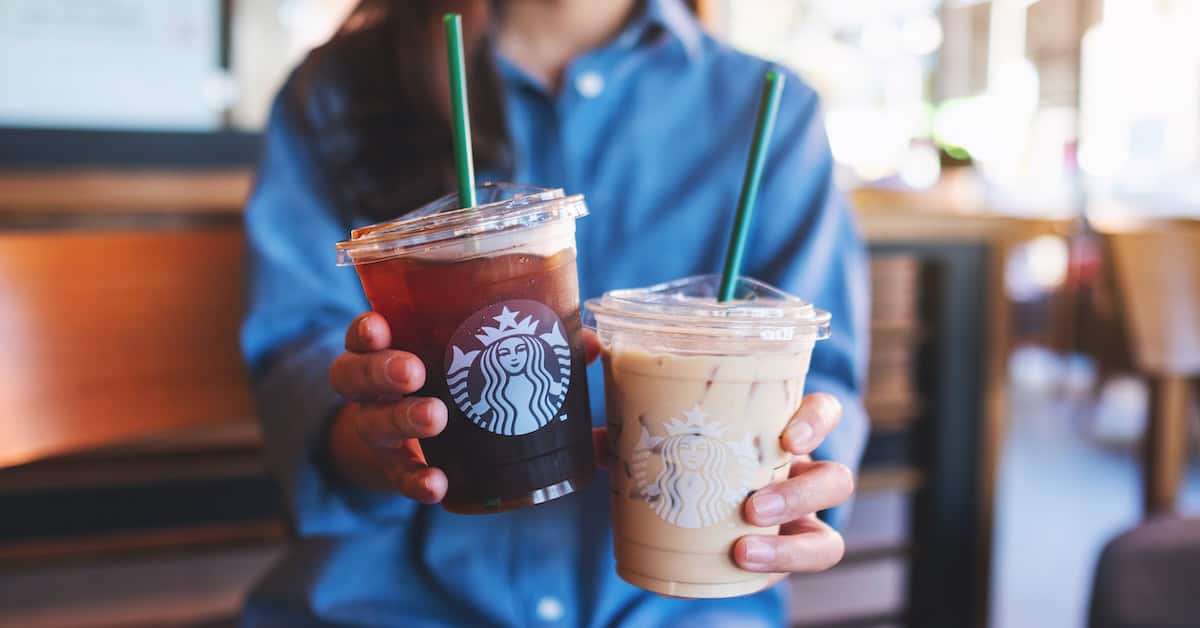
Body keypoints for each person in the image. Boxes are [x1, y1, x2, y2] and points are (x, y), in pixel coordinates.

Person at [241, 0, 869, 625]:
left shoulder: (769, 109)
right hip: (393, 606)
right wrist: (371, 438)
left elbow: (815, 374)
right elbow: (296, 360)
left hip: (680, 605)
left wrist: (795, 473)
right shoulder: (340, 90)